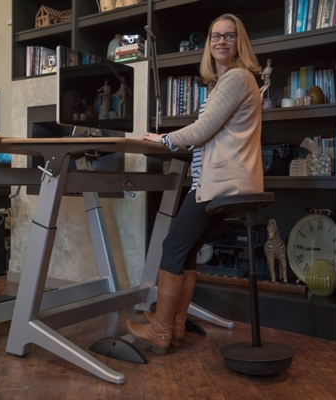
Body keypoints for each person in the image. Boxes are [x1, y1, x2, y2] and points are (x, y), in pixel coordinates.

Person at [125, 13, 264, 356]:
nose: (220, 41)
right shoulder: (225, 83)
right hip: (218, 181)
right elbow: (208, 134)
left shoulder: (235, 78)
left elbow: (202, 132)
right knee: (185, 251)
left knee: (172, 247)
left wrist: (164, 139)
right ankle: (173, 327)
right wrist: (174, 140)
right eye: (215, 36)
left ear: (239, 42)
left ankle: (159, 330)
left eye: (229, 36)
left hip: (219, 183)